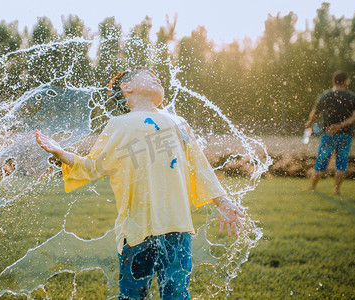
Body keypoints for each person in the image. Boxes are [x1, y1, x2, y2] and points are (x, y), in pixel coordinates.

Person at [35, 67, 244, 299]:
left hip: (176, 227)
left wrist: (223, 202)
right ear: (127, 87)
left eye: (158, 78)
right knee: (133, 294)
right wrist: (63, 153)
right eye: (148, 75)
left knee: (177, 293)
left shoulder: (178, 122)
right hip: (135, 231)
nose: (157, 78)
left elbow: (200, 166)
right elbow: (93, 166)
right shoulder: (118, 124)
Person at [305, 71, 355, 195]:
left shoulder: (325, 95)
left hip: (328, 134)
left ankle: (312, 186)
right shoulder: (352, 97)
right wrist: (340, 125)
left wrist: (309, 123)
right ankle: (336, 189)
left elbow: (315, 112)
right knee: (341, 164)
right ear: (346, 82)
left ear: (333, 81)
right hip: (345, 135)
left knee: (321, 162)